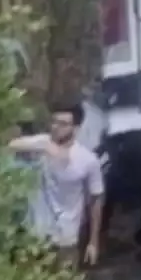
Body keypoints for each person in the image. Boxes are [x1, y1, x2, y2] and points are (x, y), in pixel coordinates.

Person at [9, 102, 105, 269]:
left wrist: (93, 242)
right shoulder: (43, 143)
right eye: (53, 122)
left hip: (66, 238)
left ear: (76, 128)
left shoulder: (87, 160)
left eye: (63, 124)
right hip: (35, 236)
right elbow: (11, 145)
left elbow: (96, 200)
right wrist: (45, 147)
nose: (56, 127)